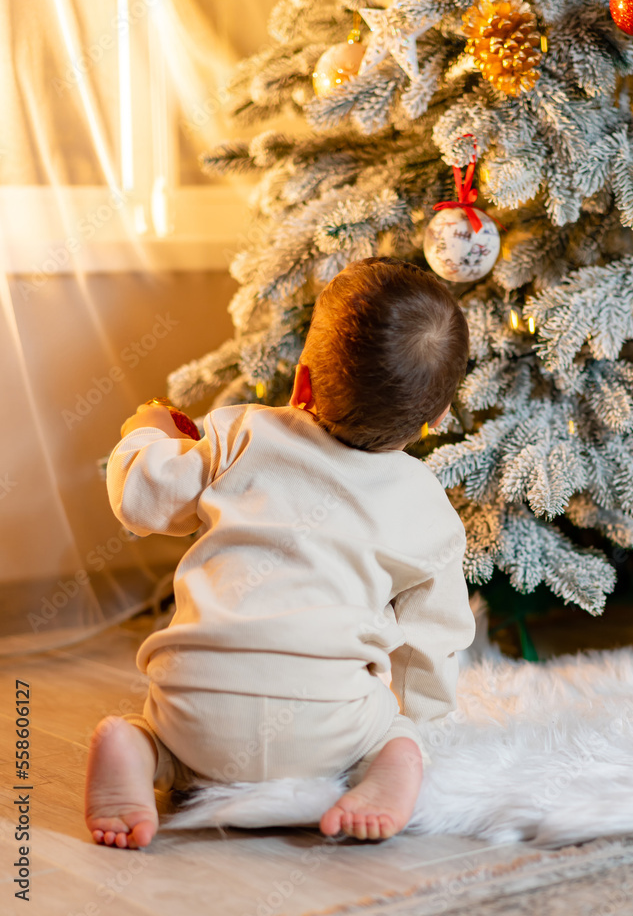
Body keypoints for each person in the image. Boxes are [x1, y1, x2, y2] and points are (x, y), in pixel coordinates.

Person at [84, 257, 475, 849]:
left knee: (166, 739)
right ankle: (391, 761)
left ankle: (143, 750)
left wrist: (147, 432)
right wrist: (415, 719)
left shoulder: (239, 433)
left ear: (302, 384)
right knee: (395, 732)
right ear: (438, 419)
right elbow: (433, 637)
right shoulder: (425, 504)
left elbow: (142, 500)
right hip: (328, 727)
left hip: (195, 707)